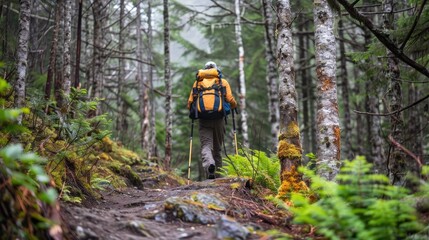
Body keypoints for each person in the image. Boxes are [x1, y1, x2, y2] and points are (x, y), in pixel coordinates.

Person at [187, 61, 237, 179]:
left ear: (205, 70)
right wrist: (234, 106)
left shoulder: (198, 83)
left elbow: (190, 102)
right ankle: (218, 177)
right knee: (217, 149)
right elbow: (230, 98)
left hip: (203, 119)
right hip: (219, 118)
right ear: (215, 70)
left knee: (206, 145)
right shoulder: (222, 82)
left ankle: (210, 165)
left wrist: (193, 111)